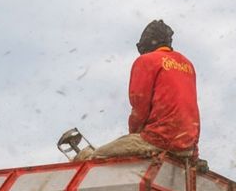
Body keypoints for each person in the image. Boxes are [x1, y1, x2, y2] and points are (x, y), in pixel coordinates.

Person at [78, 19, 200, 160]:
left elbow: (140, 106)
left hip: (158, 139)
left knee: (94, 156)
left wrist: (134, 135)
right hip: (186, 146)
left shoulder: (147, 61)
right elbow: (191, 109)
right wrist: (194, 152)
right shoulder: (187, 64)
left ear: (146, 43)